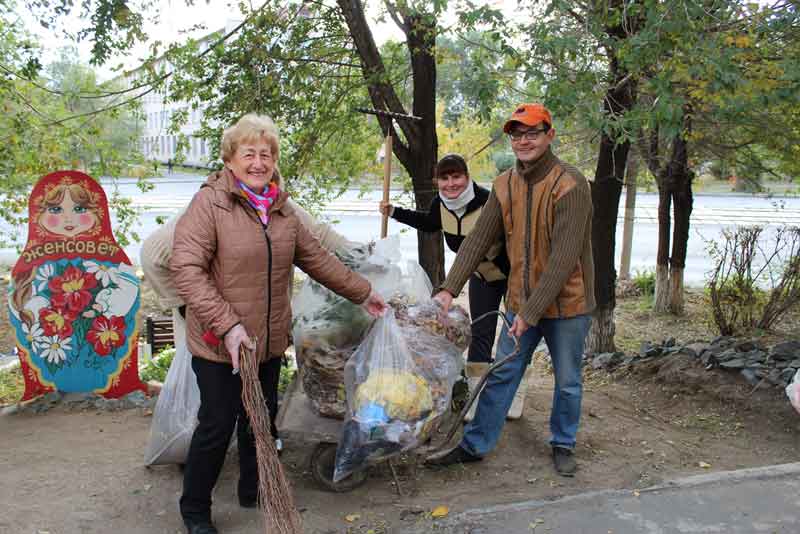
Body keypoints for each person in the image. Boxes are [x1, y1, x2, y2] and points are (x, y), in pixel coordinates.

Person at [170, 113, 387, 534]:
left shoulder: (282, 210)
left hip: (266, 341)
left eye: (265, 154)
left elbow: (318, 259)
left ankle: (256, 489)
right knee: (217, 425)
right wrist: (227, 325)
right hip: (220, 343)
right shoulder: (209, 204)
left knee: (262, 419)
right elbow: (186, 268)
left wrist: (363, 292)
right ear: (230, 160)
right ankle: (195, 510)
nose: (258, 162)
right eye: (248, 154)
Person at [428, 103, 595, 477]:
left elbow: (563, 260)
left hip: (567, 305)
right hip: (522, 304)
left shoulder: (571, 184)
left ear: (549, 135)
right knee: (502, 373)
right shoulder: (505, 183)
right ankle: (475, 444)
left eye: (532, 133)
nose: (523, 141)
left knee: (567, 380)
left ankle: (563, 442)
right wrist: (448, 289)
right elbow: (476, 240)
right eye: (517, 135)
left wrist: (530, 314)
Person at [380, 154, 526, 420]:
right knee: (480, 331)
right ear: (437, 181)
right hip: (481, 276)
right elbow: (428, 222)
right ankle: (476, 393)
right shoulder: (441, 205)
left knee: (514, 332)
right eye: (444, 178)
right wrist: (393, 212)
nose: (451, 184)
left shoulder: (487, 200)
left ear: (467, 177)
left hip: (512, 274)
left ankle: (514, 392)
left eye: (456, 176)